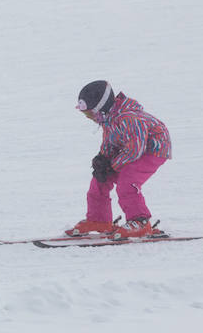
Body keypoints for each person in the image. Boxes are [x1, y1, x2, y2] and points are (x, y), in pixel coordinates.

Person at [66, 80, 172, 239]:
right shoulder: (108, 119)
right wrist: (102, 159)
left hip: (153, 150)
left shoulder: (129, 118)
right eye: (86, 114)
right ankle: (99, 220)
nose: (89, 118)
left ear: (101, 109)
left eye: (90, 114)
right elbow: (110, 142)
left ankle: (140, 222)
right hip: (131, 151)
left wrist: (112, 165)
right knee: (100, 179)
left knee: (127, 182)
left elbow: (135, 149)